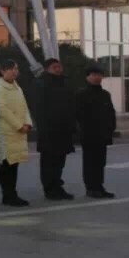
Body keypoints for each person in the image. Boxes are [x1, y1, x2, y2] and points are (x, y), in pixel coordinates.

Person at [31, 58, 76, 200]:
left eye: (59, 66)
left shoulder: (64, 83)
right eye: (54, 67)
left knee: (60, 161)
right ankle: (49, 189)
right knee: (48, 161)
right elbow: (38, 108)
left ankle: (58, 186)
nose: (58, 69)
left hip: (63, 130)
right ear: (47, 69)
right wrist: (43, 128)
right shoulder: (41, 84)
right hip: (48, 131)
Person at [0, 59, 33, 207]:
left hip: (19, 132)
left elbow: (24, 107)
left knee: (13, 165)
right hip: (7, 132)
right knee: (7, 165)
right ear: (2, 71)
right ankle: (8, 195)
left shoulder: (17, 87)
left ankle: (12, 194)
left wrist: (27, 122)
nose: (15, 71)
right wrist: (18, 126)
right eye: (11, 69)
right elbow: (2, 110)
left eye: (16, 68)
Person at [75, 66, 116, 199]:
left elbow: (111, 114)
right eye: (93, 74)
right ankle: (91, 188)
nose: (97, 77)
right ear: (87, 77)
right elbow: (77, 115)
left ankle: (99, 186)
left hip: (103, 134)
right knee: (90, 162)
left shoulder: (105, 95)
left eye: (99, 74)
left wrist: (111, 129)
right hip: (89, 134)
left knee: (100, 162)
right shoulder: (81, 94)